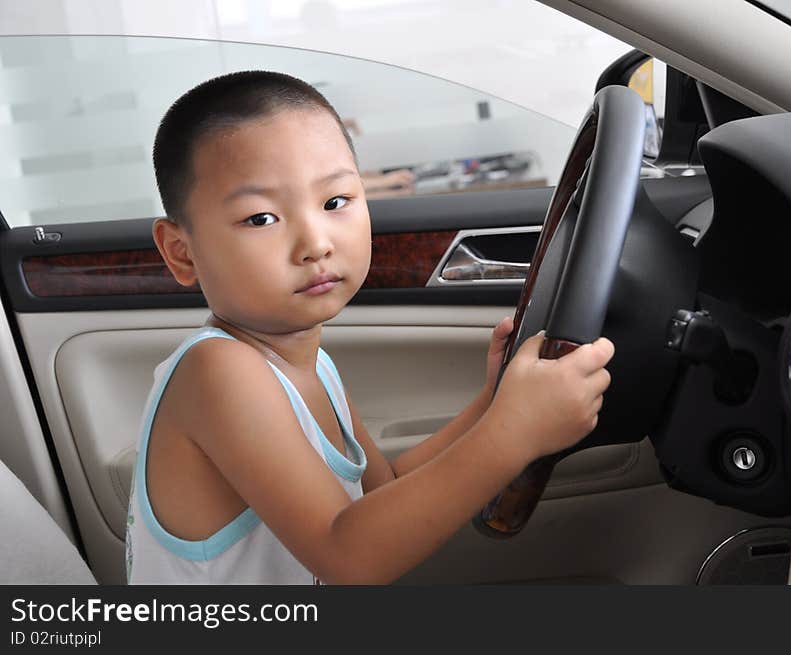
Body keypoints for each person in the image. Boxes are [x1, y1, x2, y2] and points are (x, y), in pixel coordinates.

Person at [125, 70, 614, 584]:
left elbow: (382, 493)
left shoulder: (308, 364)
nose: (315, 242)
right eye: (261, 218)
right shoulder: (218, 370)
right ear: (181, 253)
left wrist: (492, 404)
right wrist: (514, 431)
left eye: (335, 202)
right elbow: (348, 555)